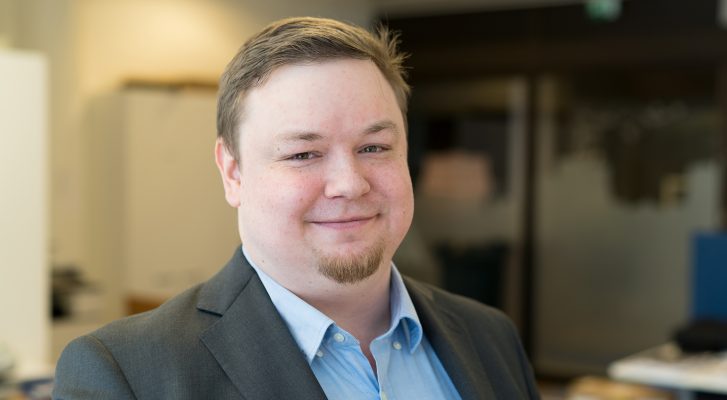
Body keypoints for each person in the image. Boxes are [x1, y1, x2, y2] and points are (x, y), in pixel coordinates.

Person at [53, 17, 539, 399]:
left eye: (374, 147)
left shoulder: (490, 337)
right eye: (304, 154)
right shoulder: (127, 375)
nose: (349, 184)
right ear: (232, 172)